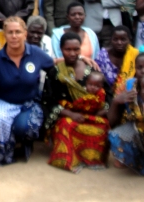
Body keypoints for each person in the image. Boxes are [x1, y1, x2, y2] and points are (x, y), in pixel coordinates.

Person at [0, 17, 54, 164]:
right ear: (4, 35)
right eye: (10, 32)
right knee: (0, 118)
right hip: (4, 101)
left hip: (30, 103)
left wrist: (82, 58)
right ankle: (6, 149)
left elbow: (53, 66)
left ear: (25, 34)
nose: (14, 36)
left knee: (24, 127)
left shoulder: (36, 53)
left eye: (18, 32)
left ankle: (27, 142)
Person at [43, 46, 109, 174]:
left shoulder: (92, 69)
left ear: (80, 50)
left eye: (76, 49)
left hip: (92, 114)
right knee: (65, 125)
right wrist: (71, 114)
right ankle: (68, 160)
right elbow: (48, 101)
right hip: (67, 113)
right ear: (61, 50)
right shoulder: (55, 72)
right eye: (68, 49)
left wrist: (100, 111)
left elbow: (107, 96)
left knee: (103, 125)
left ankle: (93, 160)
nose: (72, 53)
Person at [95, 26, 139, 101]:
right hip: (106, 97)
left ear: (129, 40)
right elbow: (97, 77)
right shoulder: (102, 55)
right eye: (115, 39)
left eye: (123, 39)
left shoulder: (135, 55)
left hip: (130, 96)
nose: (119, 42)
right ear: (111, 40)